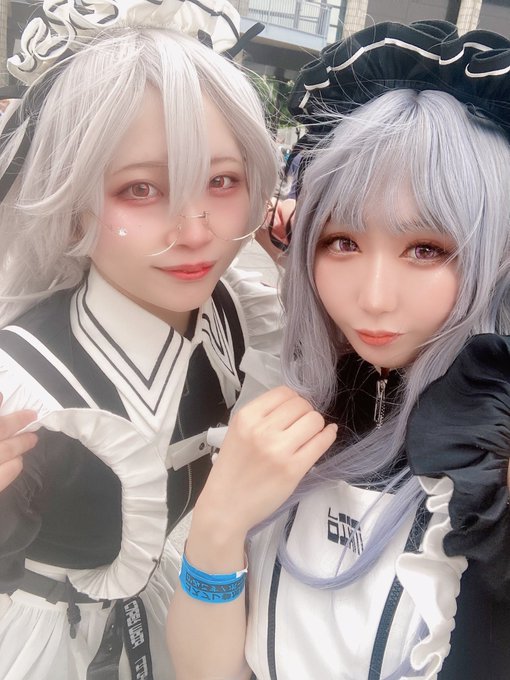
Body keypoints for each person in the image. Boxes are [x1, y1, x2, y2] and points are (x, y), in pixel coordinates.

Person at [167, 20, 510, 680]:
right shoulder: (296, 399)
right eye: (342, 242)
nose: (373, 299)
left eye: (426, 249)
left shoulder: (488, 471)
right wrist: (217, 525)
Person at [0, 1, 281, 679]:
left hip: (180, 611)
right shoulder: (24, 379)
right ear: (70, 201)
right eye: (141, 188)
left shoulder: (233, 306)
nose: (195, 231)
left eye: (221, 181)